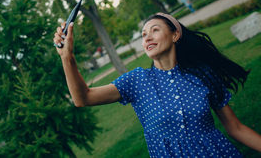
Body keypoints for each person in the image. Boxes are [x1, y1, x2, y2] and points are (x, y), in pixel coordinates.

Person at [53, 12, 261, 157]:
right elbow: (83, 98)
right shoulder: (136, 81)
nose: (147, 37)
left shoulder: (202, 74)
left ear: (175, 35)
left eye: (154, 30)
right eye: (144, 35)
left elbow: (235, 128)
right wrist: (67, 57)